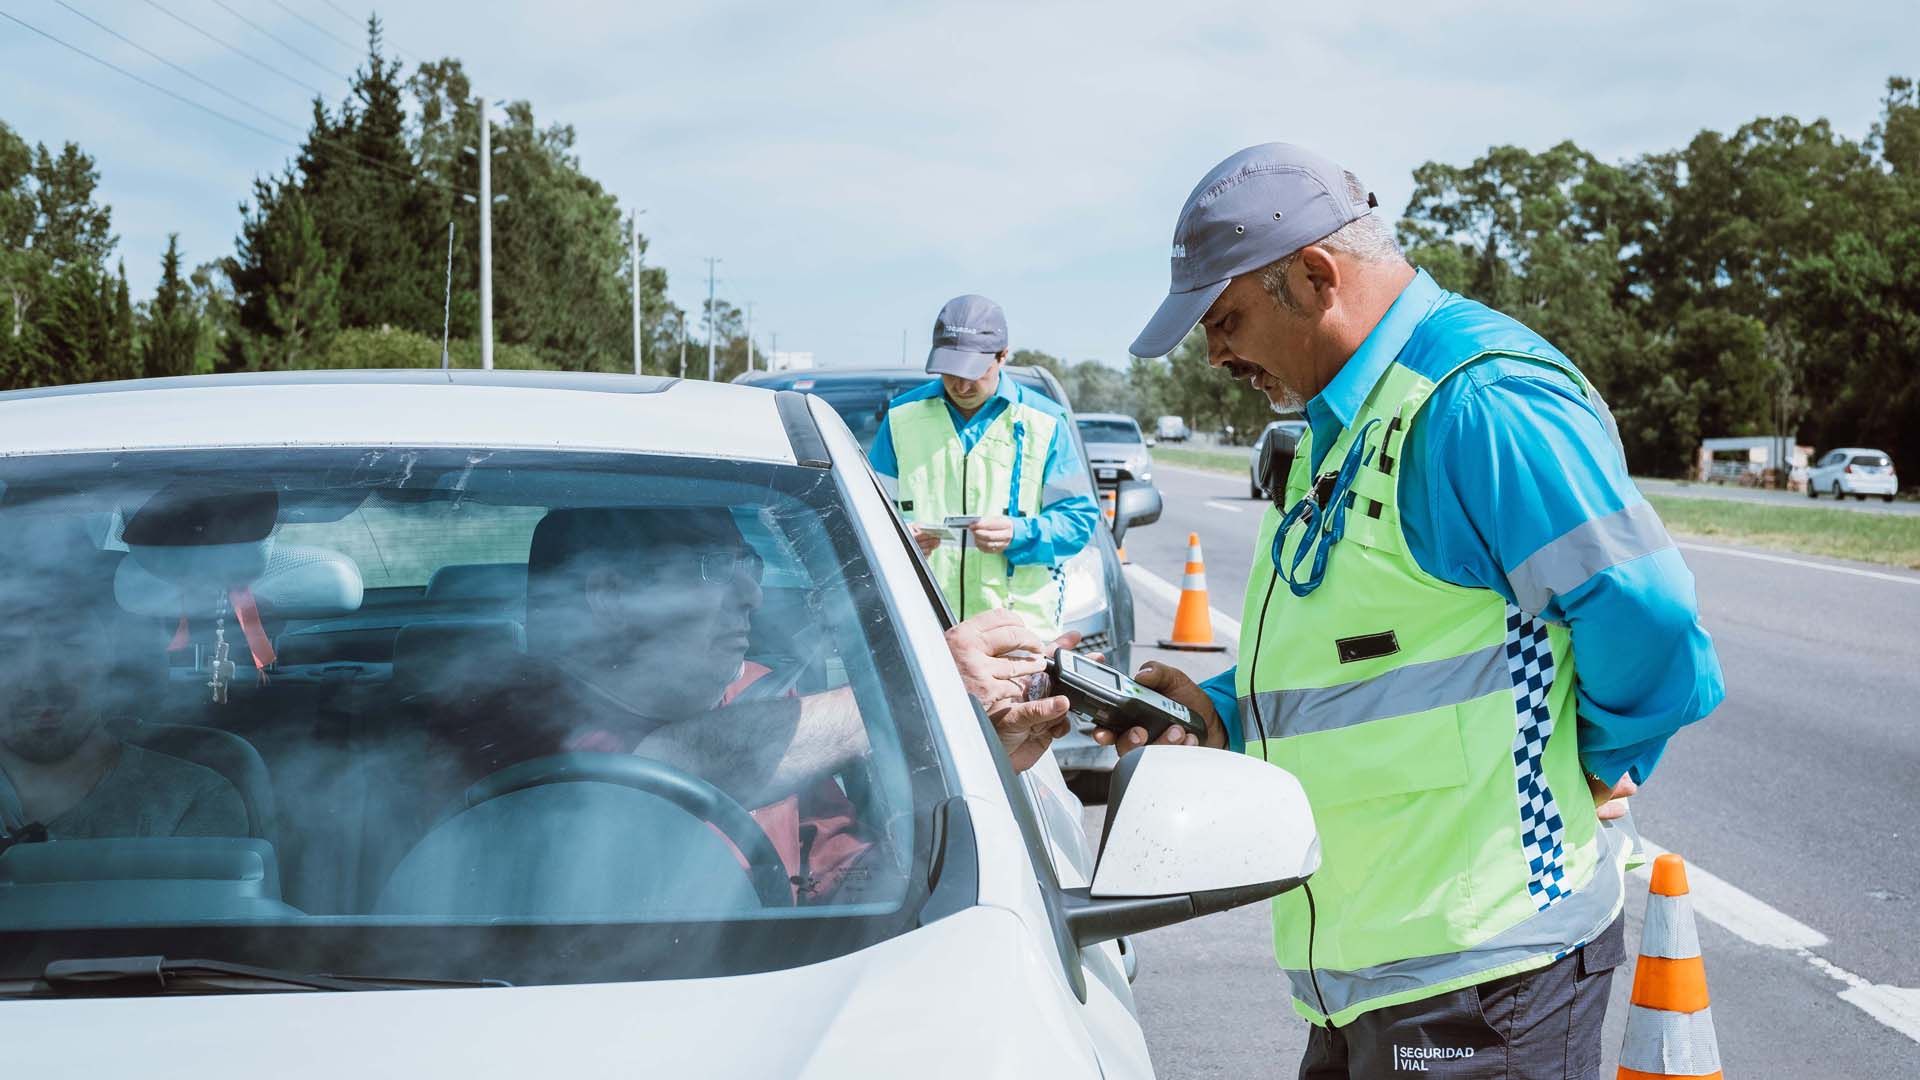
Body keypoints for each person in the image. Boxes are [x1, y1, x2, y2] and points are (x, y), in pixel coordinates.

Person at [1106, 143, 1725, 1079]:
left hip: (1489, 977)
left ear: (1314, 278)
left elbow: (1649, 615)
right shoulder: (1345, 418)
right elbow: (1379, 650)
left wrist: (1590, 761)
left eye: (1224, 318)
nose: (1216, 352)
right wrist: (1222, 709)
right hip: (1371, 972)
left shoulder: (1479, 404)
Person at [486, 506, 1082, 902]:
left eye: (749, 565)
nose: (751, 593)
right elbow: (655, 768)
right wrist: (920, 690)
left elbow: (848, 880)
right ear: (612, 595)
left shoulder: (763, 696)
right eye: (712, 568)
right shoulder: (499, 719)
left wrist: (948, 790)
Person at [870, 294, 1101, 640]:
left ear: (1003, 355)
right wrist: (902, 536)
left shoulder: (1046, 422)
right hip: (921, 628)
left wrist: (1018, 533)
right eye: (951, 372)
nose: (961, 385)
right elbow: (870, 514)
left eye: (974, 372)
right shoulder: (901, 418)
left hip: (1017, 635)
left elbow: (1078, 520)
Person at [0, 571, 248, 843]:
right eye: (6, 648)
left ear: (111, 653)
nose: (38, 679)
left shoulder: (189, 800)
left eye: (70, 642)